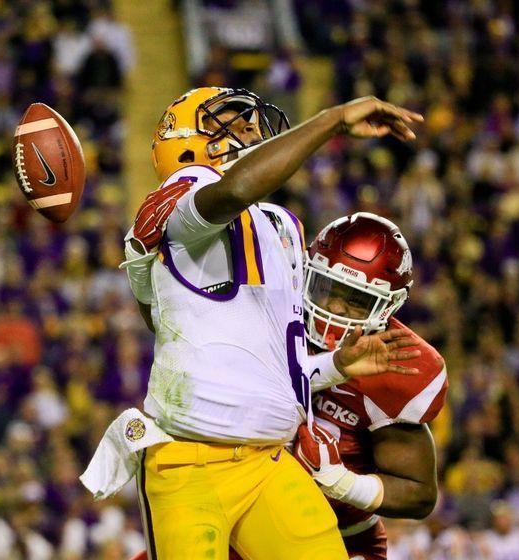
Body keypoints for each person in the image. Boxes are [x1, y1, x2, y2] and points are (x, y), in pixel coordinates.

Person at [120, 87, 423, 560]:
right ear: (179, 139)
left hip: (270, 458)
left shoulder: (279, 223)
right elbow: (235, 189)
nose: (248, 128)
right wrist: (333, 119)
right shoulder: (176, 200)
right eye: (227, 119)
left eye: (249, 120)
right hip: (189, 460)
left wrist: (335, 367)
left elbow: (268, 365)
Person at [292, 213, 447, 560]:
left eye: (355, 300)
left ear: (387, 306)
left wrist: (343, 483)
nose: (333, 307)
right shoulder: (274, 319)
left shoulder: (395, 363)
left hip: (338, 535)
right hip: (244, 511)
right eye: (327, 287)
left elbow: (420, 493)